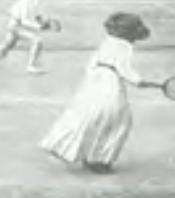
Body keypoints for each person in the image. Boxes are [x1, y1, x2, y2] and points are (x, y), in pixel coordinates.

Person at [40, 12, 154, 174]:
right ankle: (99, 160)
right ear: (128, 32)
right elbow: (124, 68)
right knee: (120, 121)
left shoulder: (107, 41)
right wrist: (138, 81)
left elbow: (91, 65)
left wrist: (93, 81)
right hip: (110, 83)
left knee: (90, 115)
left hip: (93, 81)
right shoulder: (124, 46)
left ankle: (63, 145)